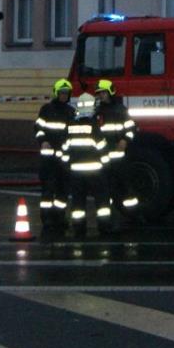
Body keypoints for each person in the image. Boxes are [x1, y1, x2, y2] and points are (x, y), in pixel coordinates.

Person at [61, 87, 112, 237]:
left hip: (76, 173)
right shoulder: (93, 127)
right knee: (102, 201)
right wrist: (106, 165)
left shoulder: (71, 127)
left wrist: (66, 166)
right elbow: (102, 148)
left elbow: (65, 149)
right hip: (96, 171)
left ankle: (78, 228)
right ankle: (104, 227)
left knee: (78, 203)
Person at [93, 79, 140, 225]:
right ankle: (109, 220)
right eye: (99, 93)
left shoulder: (121, 110)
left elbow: (131, 129)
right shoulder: (97, 113)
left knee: (126, 187)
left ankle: (133, 216)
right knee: (106, 189)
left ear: (110, 92)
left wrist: (125, 140)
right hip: (104, 159)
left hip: (120, 158)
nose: (101, 96)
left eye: (103, 93)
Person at [34, 79, 77, 232]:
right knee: (48, 191)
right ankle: (47, 220)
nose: (64, 96)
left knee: (62, 191)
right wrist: (43, 141)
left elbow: (72, 134)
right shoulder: (46, 110)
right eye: (62, 93)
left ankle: (59, 217)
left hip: (64, 160)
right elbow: (38, 129)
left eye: (67, 93)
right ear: (57, 93)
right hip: (48, 160)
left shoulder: (71, 112)